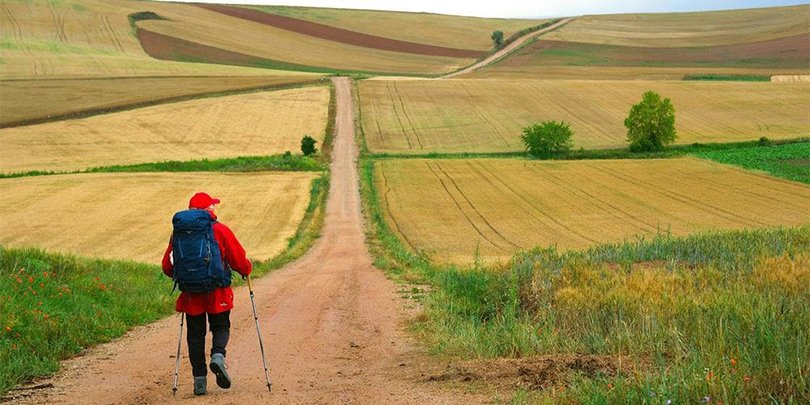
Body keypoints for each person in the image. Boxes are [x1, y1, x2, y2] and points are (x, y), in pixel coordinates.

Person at [162, 192, 252, 396]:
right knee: (221, 326)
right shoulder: (220, 229)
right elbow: (239, 260)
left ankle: (199, 381)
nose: (215, 208)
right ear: (208, 209)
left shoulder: (178, 234)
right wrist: (247, 269)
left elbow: (167, 266)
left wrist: (186, 277)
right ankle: (218, 356)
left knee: (195, 336)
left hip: (191, 294)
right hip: (217, 291)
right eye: (213, 205)